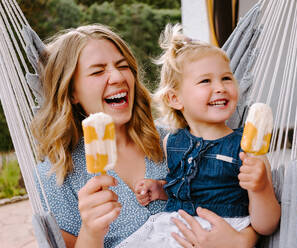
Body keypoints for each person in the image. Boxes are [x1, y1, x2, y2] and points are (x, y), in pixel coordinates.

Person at [31, 24, 260, 248]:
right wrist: (91, 232)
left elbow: (237, 203)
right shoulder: (56, 175)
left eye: (123, 66)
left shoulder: (175, 142)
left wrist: (243, 240)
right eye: (98, 71)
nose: (118, 77)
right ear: (71, 92)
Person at [120, 24, 280, 247]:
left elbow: (267, 225)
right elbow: (186, 189)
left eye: (226, 78)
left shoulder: (248, 150)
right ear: (175, 99)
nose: (220, 87)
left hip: (224, 231)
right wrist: (161, 189)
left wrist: (260, 187)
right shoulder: (172, 142)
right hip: (176, 227)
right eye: (206, 81)